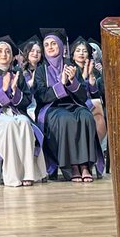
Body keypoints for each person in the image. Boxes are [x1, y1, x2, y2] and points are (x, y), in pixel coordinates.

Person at [34, 29, 104, 183]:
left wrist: (72, 81)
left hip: (74, 105)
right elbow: (41, 96)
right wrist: (62, 84)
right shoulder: (41, 71)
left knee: (86, 117)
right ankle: (71, 166)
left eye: (53, 44)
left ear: (60, 45)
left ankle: (85, 166)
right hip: (51, 109)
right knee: (66, 119)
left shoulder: (72, 67)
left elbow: (82, 96)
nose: (50, 47)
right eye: (47, 45)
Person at [0, 36, 46, 187]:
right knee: (8, 124)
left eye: (7, 51)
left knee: (24, 122)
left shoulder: (18, 75)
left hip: (16, 113)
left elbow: (27, 100)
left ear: (12, 56)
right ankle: (12, 175)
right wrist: (3, 90)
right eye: (0, 51)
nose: (4, 54)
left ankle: (28, 174)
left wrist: (14, 90)